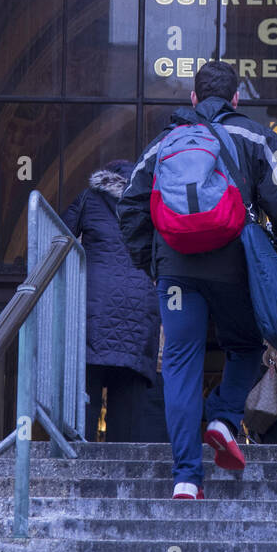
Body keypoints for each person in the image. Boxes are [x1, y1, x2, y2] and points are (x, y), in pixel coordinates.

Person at [118, 60, 277, 500]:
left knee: (181, 364)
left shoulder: (165, 142)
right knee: (245, 346)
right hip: (234, 263)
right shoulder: (257, 136)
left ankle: (186, 478)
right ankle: (222, 418)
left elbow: (129, 206)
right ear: (237, 98)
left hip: (177, 267)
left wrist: (155, 264)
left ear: (193, 98)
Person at [61, 159, 166, 443]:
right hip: (139, 313)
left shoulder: (88, 199)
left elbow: (59, 240)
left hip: (92, 311)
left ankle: (76, 462)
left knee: (85, 400)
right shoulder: (152, 205)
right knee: (126, 418)